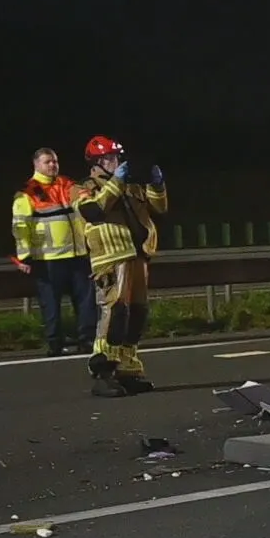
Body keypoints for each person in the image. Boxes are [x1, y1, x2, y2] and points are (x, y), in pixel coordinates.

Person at [72, 136, 167, 397]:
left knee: (137, 314)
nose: (117, 163)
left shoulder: (129, 185)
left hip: (136, 255)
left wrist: (157, 184)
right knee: (114, 313)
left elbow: (159, 207)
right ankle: (103, 372)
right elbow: (93, 210)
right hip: (110, 258)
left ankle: (128, 369)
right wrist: (116, 182)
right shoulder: (84, 187)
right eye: (112, 159)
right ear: (98, 162)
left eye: (118, 158)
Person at [12, 147, 99, 356]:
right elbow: (20, 227)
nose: (52, 165)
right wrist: (24, 257)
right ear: (36, 165)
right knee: (51, 305)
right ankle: (55, 343)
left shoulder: (68, 185)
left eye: (55, 161)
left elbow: (88, 204)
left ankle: (87, 339)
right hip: (47, 258)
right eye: (47, 162)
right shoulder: (28, 192)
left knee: (86, 301)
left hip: (77, 255)